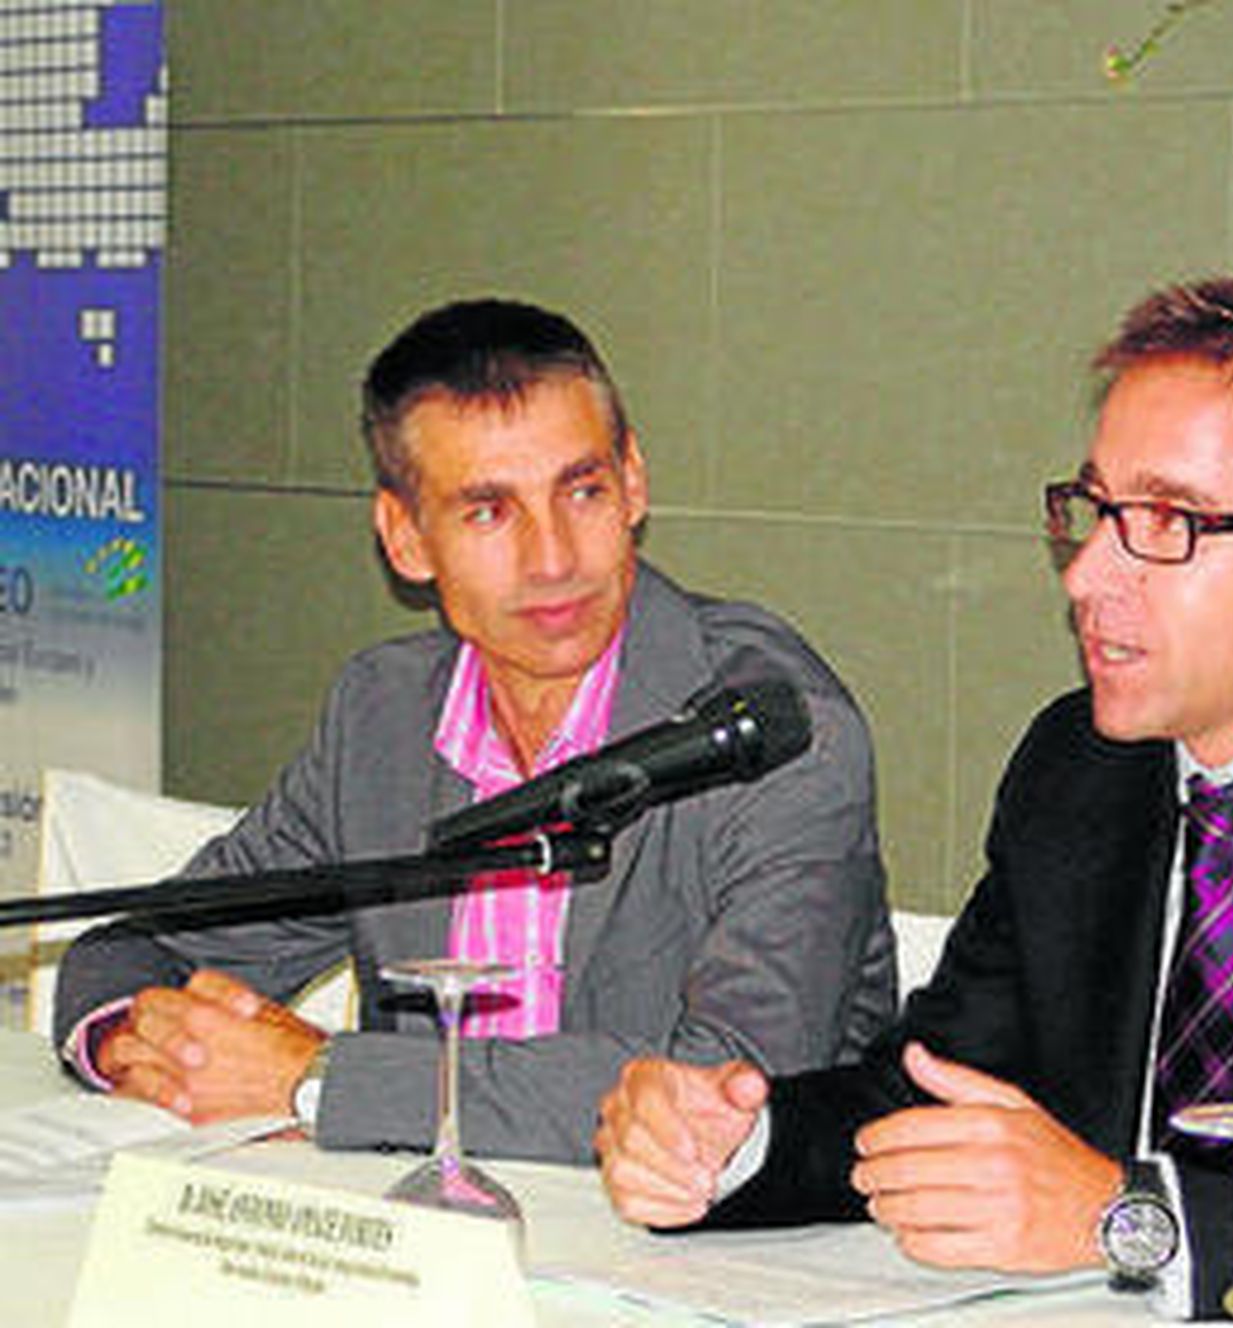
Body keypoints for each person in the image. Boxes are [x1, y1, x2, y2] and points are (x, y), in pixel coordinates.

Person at [594, 272, 1233, 1323]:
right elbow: (935, 1090)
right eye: (1096, 509)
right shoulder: (1079, 771)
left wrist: (1130, 1216)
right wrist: (733, 1139)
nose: (1085, 575)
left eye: (1167, 520)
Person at [54, 298, 896, 1162]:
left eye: (583, 490)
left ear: (634, 482)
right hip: (424, 1245)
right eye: (490, 512)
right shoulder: (382, 716)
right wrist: (143, 1042)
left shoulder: (769, 730)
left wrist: (319, 1079)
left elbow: (730, 1094)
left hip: (697, 1261)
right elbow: (140, 947)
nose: (554, 558)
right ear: (406, 539)